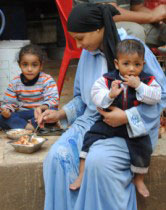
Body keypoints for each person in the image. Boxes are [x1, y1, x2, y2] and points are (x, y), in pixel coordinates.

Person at [38, 3, 166, 210]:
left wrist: (126, 117)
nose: (78, 45)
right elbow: (82, 98)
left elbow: (161, 96)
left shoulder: (131, 51)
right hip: (94, 124)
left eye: (80, 38)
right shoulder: (88, 52)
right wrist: (60, 113)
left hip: (132, 130)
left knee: (99, 162)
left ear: (99, 29)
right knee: (57, 157)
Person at [69, 39, 161, 198]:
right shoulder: (107, 79)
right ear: (117, 64)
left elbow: (156, 97)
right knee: (89, 138)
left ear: (143, 64)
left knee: (143, 146)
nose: (132, 69)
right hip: (108, 123)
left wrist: (139, 86)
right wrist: (110, 95)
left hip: (132, 125)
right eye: (126, 64)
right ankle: (82, 173)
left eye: (137, 65)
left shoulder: (148, 81)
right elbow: (96, 96)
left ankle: (138, 178)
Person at [0, 44, 59, 130]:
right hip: (22, 114)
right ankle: (30, 127)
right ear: (19, 65)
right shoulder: (15, 83)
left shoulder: (47, 80)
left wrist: (41, 108)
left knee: (51, 113)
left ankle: (23, 126)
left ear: (41, 66)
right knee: (2, 117)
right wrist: (7, 111)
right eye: (25, 65)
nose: (29, 69)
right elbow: (8, 102)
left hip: (40, 112)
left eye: (34, 65)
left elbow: (53, 100)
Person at [74, 0, 166, 48]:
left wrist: (161, 15)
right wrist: (152, 16)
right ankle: (129, 80)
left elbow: (137, 8)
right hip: (95, 26)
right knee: (135, 31)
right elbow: (108, 12)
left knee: (164, 30)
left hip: (123, 20)